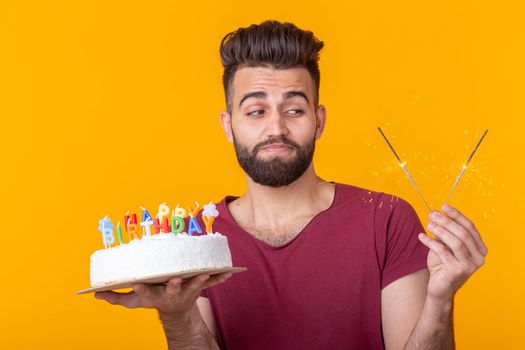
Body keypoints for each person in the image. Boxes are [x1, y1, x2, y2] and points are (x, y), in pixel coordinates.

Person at [95, 20, 488, 349]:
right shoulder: (199, 238)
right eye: (256, 110)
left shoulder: (387, 220)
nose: (276, 127)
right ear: (228, 125)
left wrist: (440, 301)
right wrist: (177, 315)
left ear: (319, 120)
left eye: (294, 109)